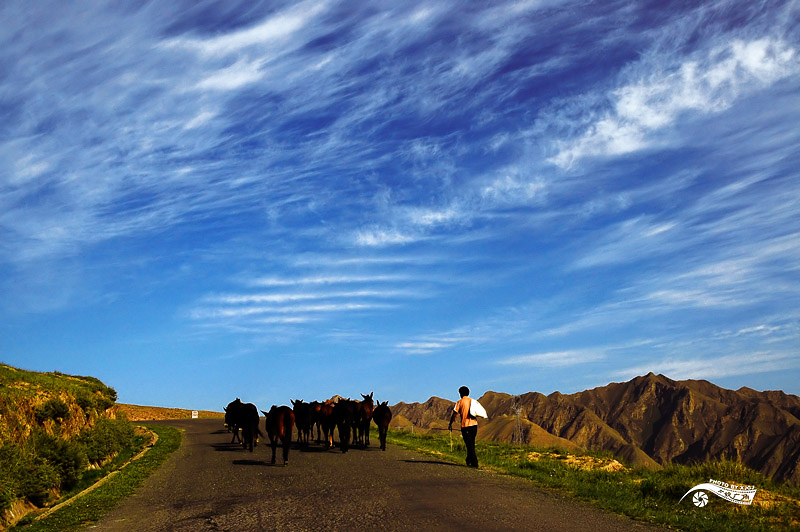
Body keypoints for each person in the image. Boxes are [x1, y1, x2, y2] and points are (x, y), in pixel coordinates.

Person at [448, 385, 479, 468]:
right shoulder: (472, 401)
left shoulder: (459, 402)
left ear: (460, 393)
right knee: (471, 443)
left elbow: (454, 414)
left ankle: (474, 463)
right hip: (474, 425)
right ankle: (469, 460)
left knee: (469, 445)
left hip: (465, 426)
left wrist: (450, 424)